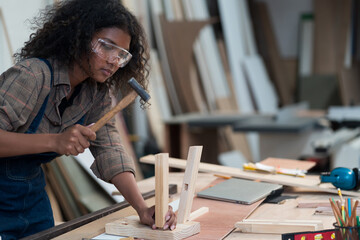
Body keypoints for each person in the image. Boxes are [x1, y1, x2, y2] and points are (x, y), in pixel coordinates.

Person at [0, 0, 176, 239]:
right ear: (80, 37)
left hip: (30, 198)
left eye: (122, 54)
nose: (114, 60)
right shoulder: (32, 76)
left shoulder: (96, 94)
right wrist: (54, 142)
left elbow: (110, 151)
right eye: (107, 46)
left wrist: (143, 209)